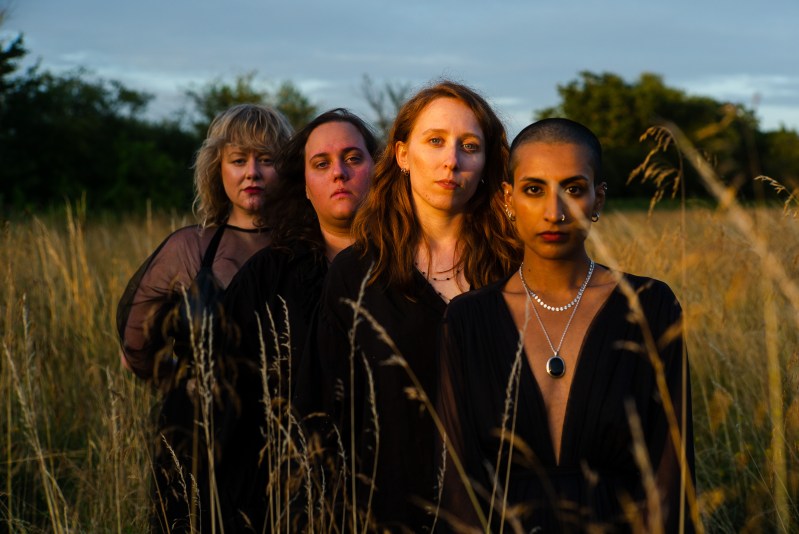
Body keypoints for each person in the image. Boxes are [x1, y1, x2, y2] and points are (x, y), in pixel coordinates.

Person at [437, 118, 695, 532]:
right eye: (534, 190)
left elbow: (671, 470)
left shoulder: (650, 306)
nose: (554, 212)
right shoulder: (468, 319)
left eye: (573, 189)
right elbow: (456, 478)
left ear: (598, 200)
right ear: (508, 199)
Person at [301, 81, 520, 532]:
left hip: (499, 511)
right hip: (384, 514)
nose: (451, 160)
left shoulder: (516, 268)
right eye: (435, 140)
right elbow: (323, 409)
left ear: (487, 164)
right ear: (402, 154)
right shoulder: (356, 272)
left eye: (470, 146)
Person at [115, 103, 293, 532]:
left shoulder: (303, 248)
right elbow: (134, 340)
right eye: (239, 160)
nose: (252, 172)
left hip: (284, 442)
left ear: (287, 171)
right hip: (198, 434)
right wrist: (177, 379)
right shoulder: (189, 248)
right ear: (219, 169)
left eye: (266, 160)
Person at [217, 109, 378, 530]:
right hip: (286, 500)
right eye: (321, 164)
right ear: (304, 187)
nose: (339, 173)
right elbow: (228, 407)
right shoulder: (266, 277)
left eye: (353, 159)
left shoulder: (412, 267)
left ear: (378, 171)